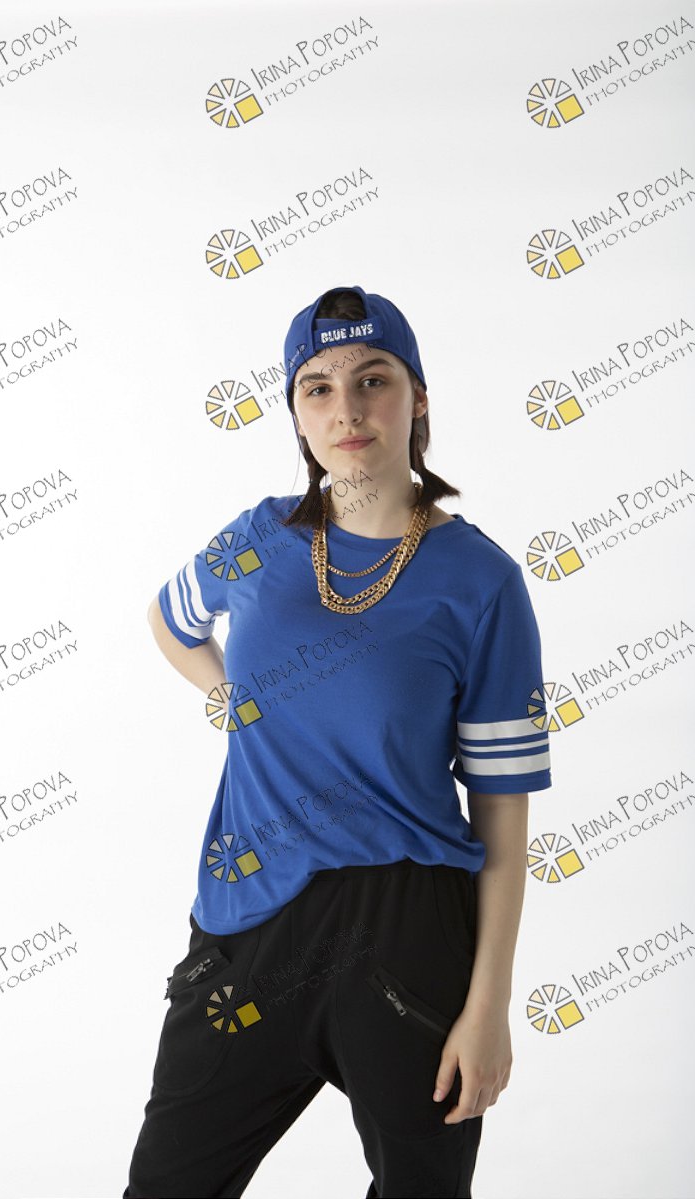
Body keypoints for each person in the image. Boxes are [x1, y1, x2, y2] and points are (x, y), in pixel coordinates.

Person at [123, 284, 552, 1199]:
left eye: (373, 380)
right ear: (295, 413)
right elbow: (170, 619)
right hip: (248, 920)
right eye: (317, 387)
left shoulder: (481, 582)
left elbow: (503, 821)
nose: (346, 409)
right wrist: (230, 699)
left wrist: (488, 1005)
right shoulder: (257, 539)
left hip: (408, 935)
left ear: (418, 397)